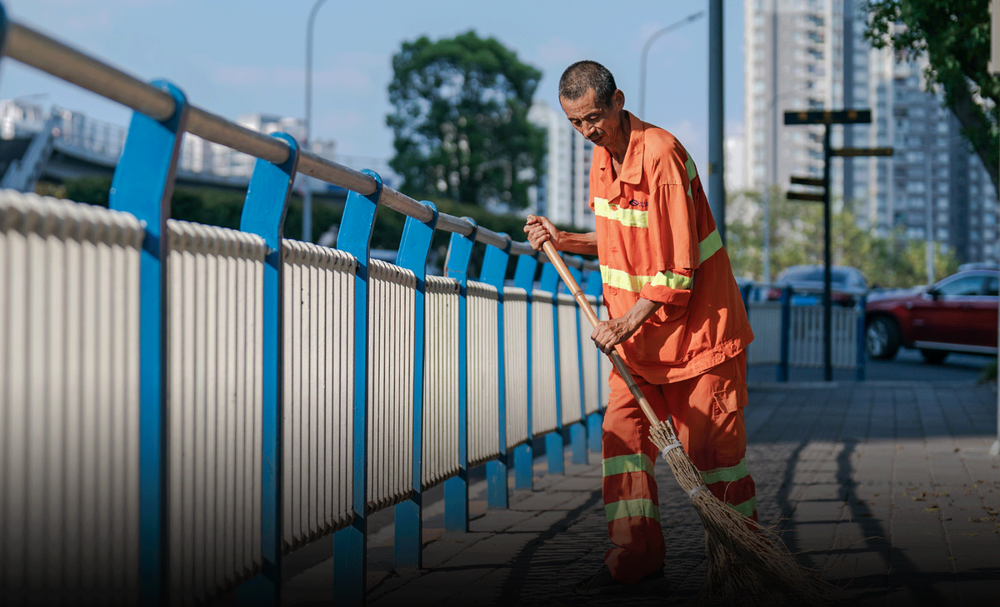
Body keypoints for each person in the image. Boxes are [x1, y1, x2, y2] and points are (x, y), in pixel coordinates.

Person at [524, 60, 757, 595]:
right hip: (638, 344)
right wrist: (564, 240)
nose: (587, 132)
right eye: (575, 123)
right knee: (622, 443)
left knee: (714, 460)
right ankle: (636, 558)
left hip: (699, 339)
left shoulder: (662, 155)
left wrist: (623, 323)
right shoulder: (602, 162)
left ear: (618, 101)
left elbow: (677, 269)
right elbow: (616, 244)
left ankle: (744, 562)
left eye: (593, 118)